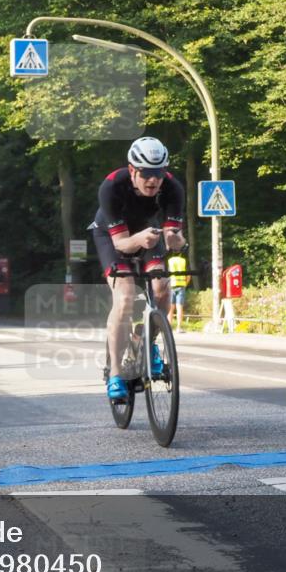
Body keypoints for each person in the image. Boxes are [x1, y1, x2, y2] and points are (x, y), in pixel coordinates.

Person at [90, 136, 186, 401]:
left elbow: (173, 234)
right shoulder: (111, 187)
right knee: (125, 298)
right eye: (146, 174)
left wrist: (176, 240)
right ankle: (117, 374)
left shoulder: (173, 188)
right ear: (133, 170)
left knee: (162, 287)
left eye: (158, 174)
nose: (153, 181)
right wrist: (141, 239)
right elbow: (121, 243)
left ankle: (148, 344)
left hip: (148, 235)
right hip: (112, 238)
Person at [168, 251, 190, 333]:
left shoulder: (169, 261)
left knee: (170, 308)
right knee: (179, 307)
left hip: (171, 286)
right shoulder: (183, 261)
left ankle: (169, 327)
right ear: (180, 253)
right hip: (181, 286)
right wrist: (185, 284)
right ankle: (178, 327)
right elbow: (188, 275)